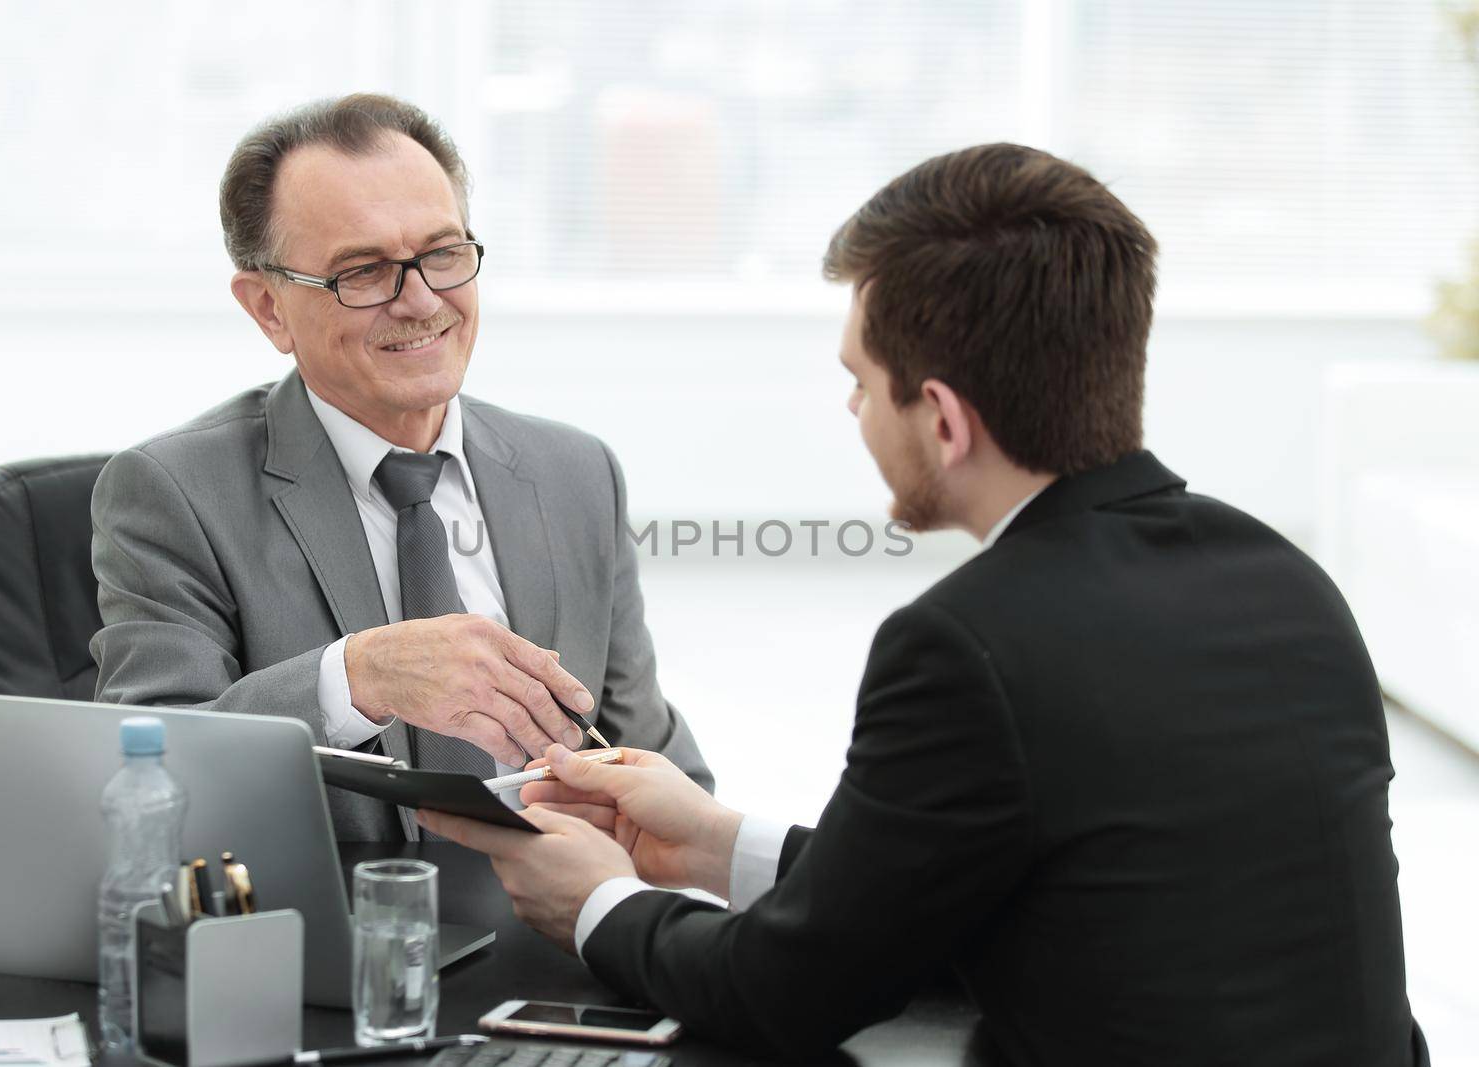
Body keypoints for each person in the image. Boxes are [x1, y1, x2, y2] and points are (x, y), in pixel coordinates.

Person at [419, 144, 1421, 1064]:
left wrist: (596, 900)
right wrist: (719, 841)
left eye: (861, 381)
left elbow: (788, 993)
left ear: (940, 416)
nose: (852, 409)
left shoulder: (967, 644)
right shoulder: (1287, 581)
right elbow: (1017, 892)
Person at [90, 94, 711, 842]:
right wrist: (360, 676)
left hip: (570, 929)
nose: (419, 300)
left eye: (443, 253)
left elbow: (656, 763)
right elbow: (148, 764)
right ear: (268, 308)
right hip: (335, 938)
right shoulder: (174, 494)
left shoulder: (575, 472)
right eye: (363, 270)